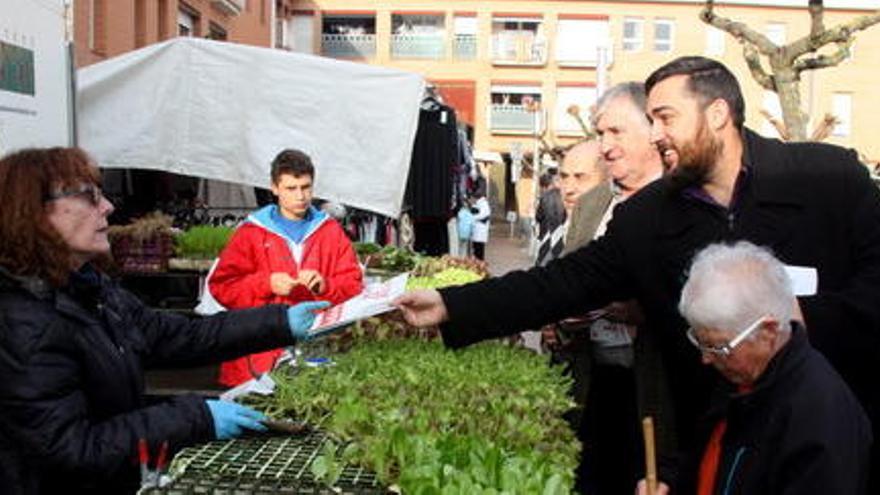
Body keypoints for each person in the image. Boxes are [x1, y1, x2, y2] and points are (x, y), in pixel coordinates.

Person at [395, 56, 880, 492]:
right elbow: (563, 282)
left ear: (717, 114)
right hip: (713, 441)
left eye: (665, 118)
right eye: (650, 121)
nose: (654, 134)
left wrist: (799, 316)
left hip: (837, 434)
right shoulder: (650, 217)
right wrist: (450, 304)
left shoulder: (828, 180)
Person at [0, 147, 340, 494]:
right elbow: (73, 449)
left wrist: (281, 322)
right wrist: (194, 417)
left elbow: (181, 336)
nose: (108, 207)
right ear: (35, 213)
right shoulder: (24, 322)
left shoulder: (90, 289)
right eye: (89, 196)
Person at [636, 241, 870, 495]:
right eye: (699, 342)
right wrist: (668, 482)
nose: (706, 358)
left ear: (768, 331)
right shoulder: (741, 379)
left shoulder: (818, 416)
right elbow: (707, 457)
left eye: (719, 347)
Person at [550, 82, 666, 495]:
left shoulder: (686, 203)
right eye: (600, 134)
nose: (605, 146)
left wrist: (645, 312)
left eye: (616, 132)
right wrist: (559, 320)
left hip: (653, 396)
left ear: (653, 130)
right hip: (591, 382)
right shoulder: (593, 202)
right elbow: (566, 278)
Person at [208, 149, 363, 387]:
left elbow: (354, 286)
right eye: (291, 188)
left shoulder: (330, 232)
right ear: (275, 188)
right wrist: (266, 284)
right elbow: (222, 286)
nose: (300, 196)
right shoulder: (251, 233)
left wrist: (325, 285)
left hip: (317, 352)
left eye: (306, 187)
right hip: (258, 352)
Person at [535, 140, 604, 267]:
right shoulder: (555, 234)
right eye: (564, 177)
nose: (568, 189)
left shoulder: (613, 242)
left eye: (580, 178)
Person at [534, 171, 565, 241]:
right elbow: (564, 217)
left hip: (545, 233)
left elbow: (538, 217)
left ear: (544, 186)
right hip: (559, 234)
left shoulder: (544, 197)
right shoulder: (562, 195)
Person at [469, 180, 491, 260]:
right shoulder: (478, 203)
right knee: (476, 249)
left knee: (479, 250)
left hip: (480, 231)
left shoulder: (483, 203)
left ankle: (480, 264)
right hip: (476, 231)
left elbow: (484, 215)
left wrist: (473, 217)